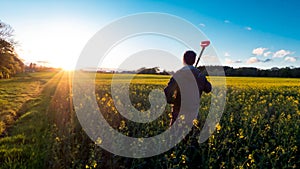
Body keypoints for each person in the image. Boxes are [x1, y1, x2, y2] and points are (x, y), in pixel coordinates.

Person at [164, 50, 212, 126]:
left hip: (178, 108)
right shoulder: (200, 75)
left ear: (183, 60)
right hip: (193, 108)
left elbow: (167, 91)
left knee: (175, 131)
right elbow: (208, 89)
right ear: (194, 61)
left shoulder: (178, 74)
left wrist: (173, 101)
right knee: (189, 129)